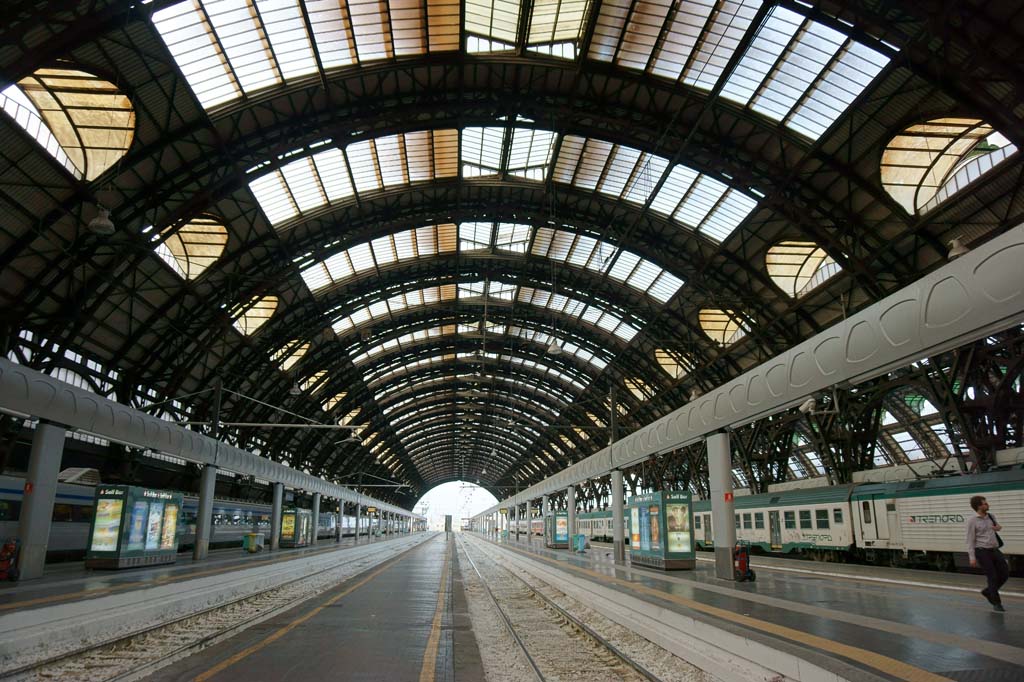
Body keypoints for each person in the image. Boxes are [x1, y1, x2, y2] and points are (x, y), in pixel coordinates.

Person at [966, 495, 1008, 612]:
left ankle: (988, 591)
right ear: (979, 506)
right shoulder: (972, 520)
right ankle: (996, 603)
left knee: (1005, 573)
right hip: (982, 551)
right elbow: (970, 540)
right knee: (992, 577)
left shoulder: (991, 516)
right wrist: (972, 557)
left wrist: (998, 527)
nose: (987, 504)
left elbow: (997, 528)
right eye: (985, 503)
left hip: (995, 550)